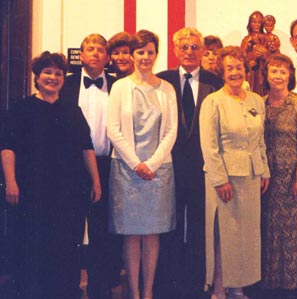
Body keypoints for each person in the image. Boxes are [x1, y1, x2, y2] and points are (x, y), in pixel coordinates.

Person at [1, 51, 101, 299]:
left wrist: (96, 181)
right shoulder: (21, 108)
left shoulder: (72, 110)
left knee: (67, 248)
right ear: (37, 76)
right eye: (47, 72)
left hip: (69, 193)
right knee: (33, 246)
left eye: (58, 73)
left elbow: (86, 147)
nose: (53, 77)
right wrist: (11, 182)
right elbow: (8, 147)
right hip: (32, 191)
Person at [107, 29, 178, 299]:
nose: (145, 57)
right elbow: (114, 129)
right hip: (126, 170)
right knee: (131, 234)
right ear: (132, 55)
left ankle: (148, 292)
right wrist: (137, 164)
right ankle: (134, 293)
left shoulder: (167, 89)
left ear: (156, 54)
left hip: (159, 171)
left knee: (152, 234)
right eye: (140, 52)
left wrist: (153, 162)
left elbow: (171, 130)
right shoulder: (120, 87)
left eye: (150, 51)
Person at [156, 27, 223, 299]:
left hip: (201, 166)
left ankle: (197, 283)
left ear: (203, 51)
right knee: (168, 223)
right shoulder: (161, 81)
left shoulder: (214, 82)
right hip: (167, 164)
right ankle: (167, 282)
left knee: (199, 225)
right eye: (184, 47)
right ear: (175, 50)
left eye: (195, 47)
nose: (189, 52)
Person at [200, 45, 270, 299]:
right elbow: (209, 146)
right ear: (222, 71)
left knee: (245, 237)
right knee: (224, 235)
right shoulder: (213, 101)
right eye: (229, 68)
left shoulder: (255, 101)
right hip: (224, 180)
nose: (234, 72)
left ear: (245, 70)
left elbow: (259, 140)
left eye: (238, 67)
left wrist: (264, 171)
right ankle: (219, 289)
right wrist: (220, 180)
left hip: (251, 179)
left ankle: (238, 287)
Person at [59, 33, 122, 299]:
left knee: (102, 229)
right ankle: (68, 285)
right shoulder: (66, 85)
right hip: (72, 165)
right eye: (90, 48)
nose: (95, 53)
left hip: (108, 165)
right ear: (81, 55)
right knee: (70, 226)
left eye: (100, 49)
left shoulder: (119, 86)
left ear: (107, 57)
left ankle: (101, 287)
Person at [261, 53, 297, 298]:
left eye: (283, 71)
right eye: (274, 70)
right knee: (271, 229)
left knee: (294, 230)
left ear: (290, 75)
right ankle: (272, 281)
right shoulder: (259, 103)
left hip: (294, 178)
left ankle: (294, 283)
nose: (278, 76)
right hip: (267, 180)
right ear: (266, 74)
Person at [241, 11, 268, 96]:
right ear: (250, 24)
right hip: (251, 72)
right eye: (254, 22)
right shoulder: (247, 39)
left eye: (259, 22)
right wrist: (252, 56)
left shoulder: (267, 38)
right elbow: (242, 58)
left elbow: (273, 57)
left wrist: (265, 55)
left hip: (263, 71)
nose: (256, 25)